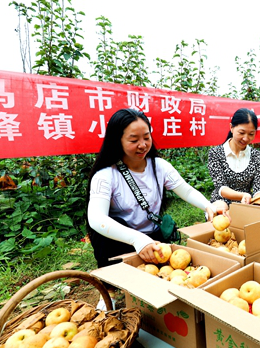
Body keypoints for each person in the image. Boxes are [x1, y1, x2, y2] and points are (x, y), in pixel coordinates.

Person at [87, 108, 219, 270]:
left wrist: (208, 206)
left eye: (146, 137)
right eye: (133, 140)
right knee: (102, 236)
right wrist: (137, 240)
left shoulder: (160, 167)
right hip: (121, 241)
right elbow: (96, 217)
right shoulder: (106, 176)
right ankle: (109, 291)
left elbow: (188, 191)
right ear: (117, 140)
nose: (142, 145)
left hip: (153, 238)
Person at [208, 108, 260, 205]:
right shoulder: (216, 153)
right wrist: (243, 195)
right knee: (221, 211)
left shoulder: (257, 156)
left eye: (251, 134)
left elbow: (259, 186)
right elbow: (221, 188)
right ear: (231, 128)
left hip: (246, 203)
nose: (246, 138)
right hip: (221, 201)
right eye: (242, 133)